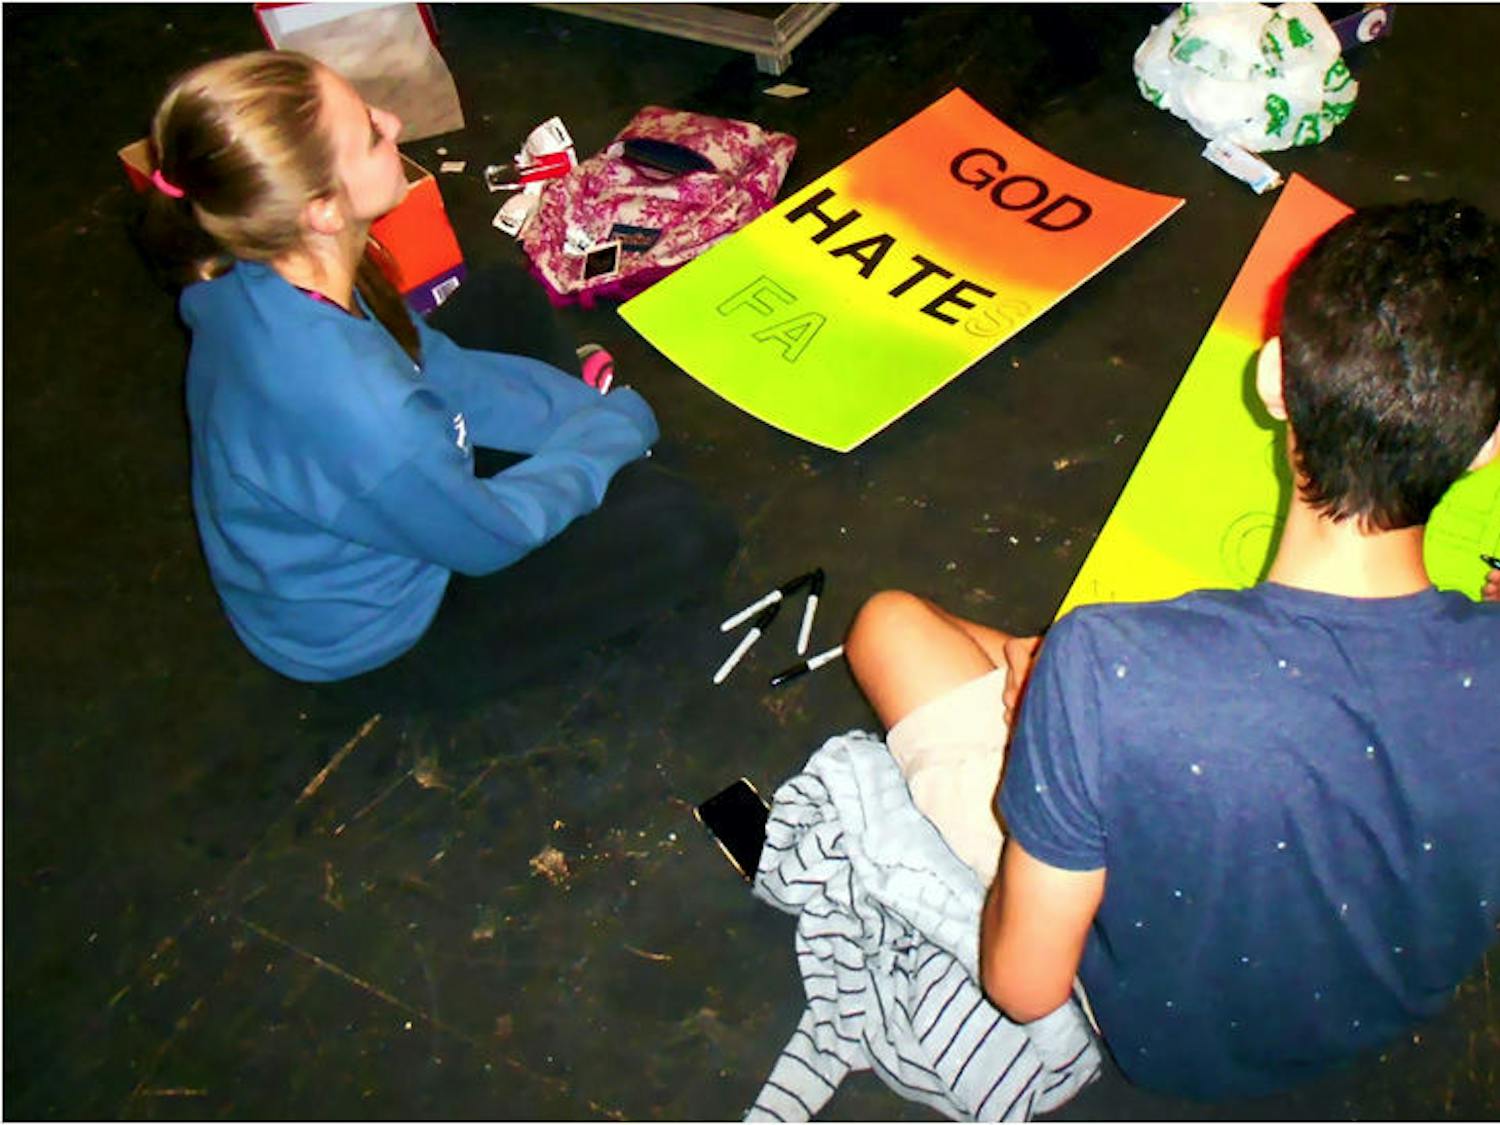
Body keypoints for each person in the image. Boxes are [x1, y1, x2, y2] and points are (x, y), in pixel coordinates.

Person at [843, 200, 1500, 1100]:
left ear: (1274, 380)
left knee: (891, 625)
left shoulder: (1111, 666)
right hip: (1382, 1003)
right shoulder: (1111, 668)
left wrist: (1048, 736)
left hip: (1167, 1036)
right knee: (1046, 671)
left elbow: (1022, 987)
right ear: (1486, 448)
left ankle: (1050, 744)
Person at [138, 51, 735, 702]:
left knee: (506, 294)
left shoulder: (265, 265)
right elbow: (492, 536)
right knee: (687, 531)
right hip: (381, 634)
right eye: (371, 132)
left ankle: (592, 457)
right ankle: (604, 472)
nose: (392, 122)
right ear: (322, 210)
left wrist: (579, 418)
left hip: (377, 487)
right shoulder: (363, 408)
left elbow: (435, 365)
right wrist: (608, 437)